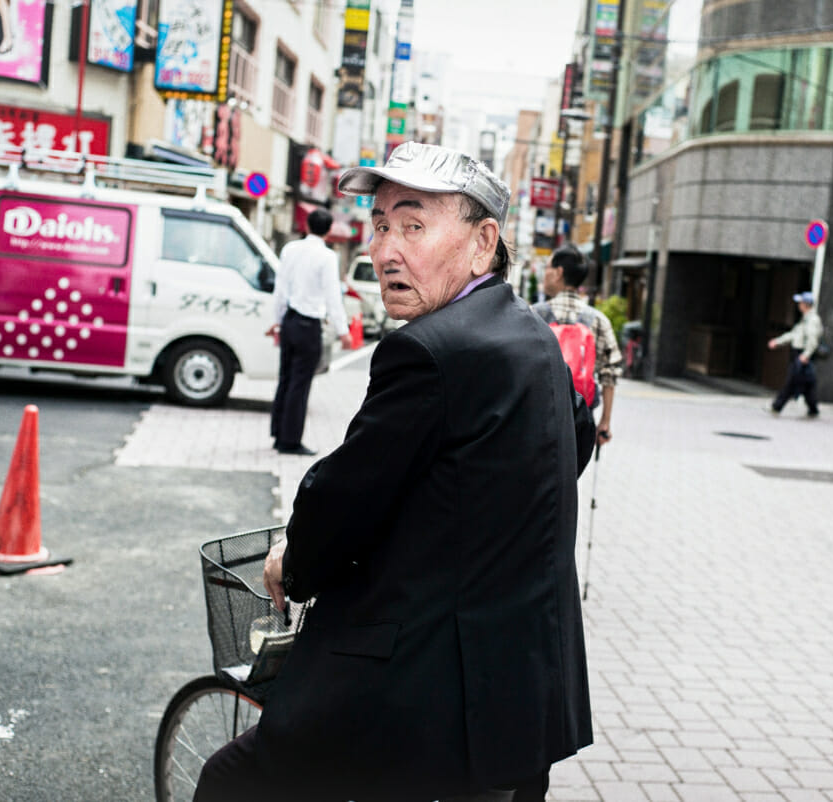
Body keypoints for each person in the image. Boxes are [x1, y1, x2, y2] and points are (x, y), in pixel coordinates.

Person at [195, 142, 595, 802]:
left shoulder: (430, 350)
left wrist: (291, 564)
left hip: (431, 700)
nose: (386, 251)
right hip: (526, 695)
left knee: (229, 782)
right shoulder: (530, 336)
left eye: (413, 225)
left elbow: (345, 498)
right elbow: (565, 449)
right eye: (380, 225)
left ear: (481, 243)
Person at [266, 208, 352, 456]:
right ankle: (290, 441)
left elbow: (280, 289)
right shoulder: (326, 257)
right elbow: (332, 295)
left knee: (285, 378)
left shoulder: (289, 250)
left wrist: (277, 321)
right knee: (299, 385)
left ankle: (278, 433)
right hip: (309, 325)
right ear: (328, 231)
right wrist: (343, 330)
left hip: (290, 320)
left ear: (306, 226)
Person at [538, 244, 622, 445]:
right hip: (580, 416)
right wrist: (605, 422)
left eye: (547, 268)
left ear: (559, 273)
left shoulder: (533, 314)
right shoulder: (597, 320)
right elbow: (609, 373)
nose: (545, 274)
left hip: (539, 414)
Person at [767, 291, 824, 417]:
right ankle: (813, 409)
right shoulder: (805, 319)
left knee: (792, 382)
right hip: (799, 354)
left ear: (806, 304)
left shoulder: (812, 320)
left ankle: (777, 406)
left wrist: (806, 355)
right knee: (807, 384)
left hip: (802, 356)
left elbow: (812, 340)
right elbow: (793, 334)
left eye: (801, 302)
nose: (799, 305)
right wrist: (777, 342)